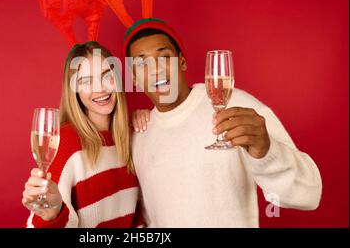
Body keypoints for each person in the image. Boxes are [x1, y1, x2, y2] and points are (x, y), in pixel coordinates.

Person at [126, 21, 322, 227]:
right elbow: (147, 217)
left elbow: (309, 194)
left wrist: (267, 151)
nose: (155, 69)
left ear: (182, 61)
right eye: (142, 64)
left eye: (164, 57)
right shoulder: (138, 134)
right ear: (134, 78)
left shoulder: (236, 106)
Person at [22, 42, 141, 228]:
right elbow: (37, 223)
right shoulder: (66, 142)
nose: (100, 89)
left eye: (106, 76)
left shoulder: (129, 138)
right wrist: (52, 215)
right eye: (86, 81)